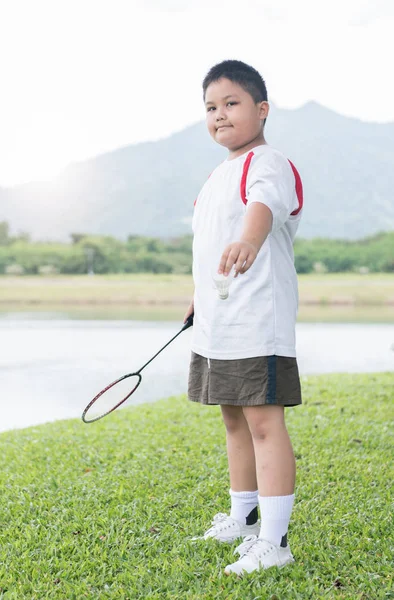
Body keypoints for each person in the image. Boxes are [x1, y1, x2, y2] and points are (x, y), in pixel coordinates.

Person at [183, 59, 303, 576]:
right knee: (232, 418)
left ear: (261, 109)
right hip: (218, 323)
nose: (220, 114)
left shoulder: (267, 163)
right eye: (211, 107)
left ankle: (275, 543)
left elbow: (262, 209)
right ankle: (244, 520)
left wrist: (247, 242)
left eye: (231, 103)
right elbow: (210, 245)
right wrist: (197, 297)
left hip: (258, 320)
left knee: (263, 423)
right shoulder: (216, 174)